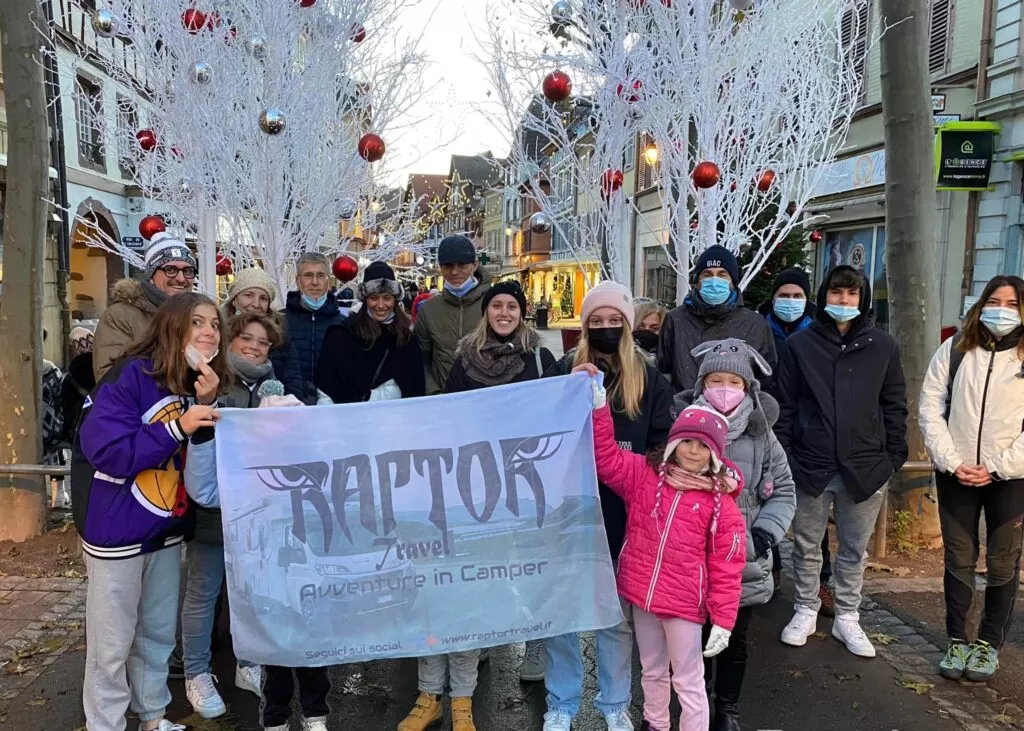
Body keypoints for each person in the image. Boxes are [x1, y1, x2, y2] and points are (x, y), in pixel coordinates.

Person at [71, 292, 227, 731]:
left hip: (165, 527)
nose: (209, 332)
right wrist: (179, 426)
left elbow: (200, 476)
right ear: (172, 326)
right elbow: (107, 450)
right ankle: (106, 724)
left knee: (157, 634)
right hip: (116, 529)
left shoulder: (196, 383)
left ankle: (152, 716)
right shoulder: (129, 375)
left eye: (215, 324)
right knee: (111, 643)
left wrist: (208, 409)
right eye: (198, 322)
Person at [541, 280, 674, 731]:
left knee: (615, 616)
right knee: (563, 611)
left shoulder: (650, 377)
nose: (604, 328)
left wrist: (630, 467)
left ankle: (615, 703)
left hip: (624, 511)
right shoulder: (564, 370)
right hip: (571, 508)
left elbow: (662, 443)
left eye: (613, 321)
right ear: (584, 327)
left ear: (627, 325)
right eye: (595, 322)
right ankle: (561, 701)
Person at [585, 366, 746, 731]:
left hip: (684, 606)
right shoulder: (644, 474)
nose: (693, 451)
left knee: (688, 679)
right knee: (653, 670)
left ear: (716, 453)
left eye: (704, 446)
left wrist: (723, 618)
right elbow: (606, 458)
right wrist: (599, 409)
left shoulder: (721, 504)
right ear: (674, 443)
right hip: (642, 595)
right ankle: (655, 723)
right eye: (688, 441)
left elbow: (727, 566)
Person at [182, 343, 330, 731]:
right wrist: (201, 442)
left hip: (308, 585)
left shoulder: (315, 476)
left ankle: (316, 715)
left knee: (312, 652)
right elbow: (206, 492)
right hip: (268, 587)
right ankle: (276, 719)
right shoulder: (249, 474)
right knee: (275, 656)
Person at [775, 265, 907, 658]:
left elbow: (894, 404)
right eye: (836, 293)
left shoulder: (883, 346)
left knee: (854, 548)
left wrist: (893, 457)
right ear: (824, 297)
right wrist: (787, 456)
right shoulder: (800, 346)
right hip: (810, 464)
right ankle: (805, 607)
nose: (843, 301)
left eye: (851, 294)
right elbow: (784, 405)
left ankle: (848, 615)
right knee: (806, 545)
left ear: (862, 299)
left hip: (866, 467)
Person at [673, 339, 796, 731]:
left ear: (749, 389)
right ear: (701, 385)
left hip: (742, 559)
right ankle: (696, 707)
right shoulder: (685, 430)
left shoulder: (763, 436)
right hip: (689, 558)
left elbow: (785, 490)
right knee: (691, 642)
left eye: (734, 381)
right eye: (715, 380)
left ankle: (728, 709)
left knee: (733, 639)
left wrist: (763, 535)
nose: (724, 388)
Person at [440, 279, 556, 687]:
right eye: (496, 306)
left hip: (527, 476)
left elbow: (556, 410)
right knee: (485, 560)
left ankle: (536, 641)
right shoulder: (465, 359)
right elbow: (450, 413)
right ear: (486, 312)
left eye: (511, 306)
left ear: (522, 312)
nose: (504, 313)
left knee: (530, 559)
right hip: (479, 475)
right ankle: (487, 633)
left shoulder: (539, 358)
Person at [919, 275, 1024, 682]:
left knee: (1002, 563)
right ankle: (957, 641)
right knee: (958, 559)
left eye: (1012, 303)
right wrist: (951, 460)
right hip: (956, 472)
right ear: (981, 305)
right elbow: (930, 407)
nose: (1002, 309)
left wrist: (997, 467)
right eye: (994, 301)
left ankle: (987, 645)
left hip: (1011, 478)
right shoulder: (956, 350)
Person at [181, 313, 282, 719]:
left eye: (263, 342)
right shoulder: (210, 378)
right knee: (204, 592)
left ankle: (248, 663)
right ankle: (196, 672)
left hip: (255, 510)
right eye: (246, 338)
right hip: (213, 505)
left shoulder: (272, 386)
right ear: (230, 340)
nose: (255, 347)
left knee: (251, 590)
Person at [756, 268, 833, 612]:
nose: (790, 302)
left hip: (807, 432)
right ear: (773, 298)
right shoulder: (760, 329)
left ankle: (822, 582)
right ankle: (769, 569)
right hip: (761, 425)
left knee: (814, 514)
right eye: (784, 295)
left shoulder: (820, 333)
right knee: (761, 499)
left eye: (797, 295)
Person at [657, 245, 776, 394]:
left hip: (737, 415)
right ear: (697, 280)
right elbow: (663, 372)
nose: (714, 280)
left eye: (722, 274)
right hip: (685, 411)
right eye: (707, 274)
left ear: (733, 281)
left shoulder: (755, 324)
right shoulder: (675, 320)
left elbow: (766, 380)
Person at [316, 262, 426, 405]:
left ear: (395, 299)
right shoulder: (341, 335)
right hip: (349, 423)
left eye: (387, 297)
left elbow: (416, 393)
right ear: (365, 300)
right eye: (374, 298)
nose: (380, 305)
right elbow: (326, 390)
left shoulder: (405, 339)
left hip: (395, 423)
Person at [93, 232, 197, 380]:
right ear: (151, 275)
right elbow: (110, 378)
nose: (181, 279)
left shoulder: (199, 316)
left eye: (188, 271)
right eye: (170, 270)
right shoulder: (120, 316)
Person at [415, 235, 492, 394]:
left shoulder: (493, 304)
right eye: (448, 266)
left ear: (474, 265)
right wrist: (433, 393)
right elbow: (420, 360)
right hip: (442, 401)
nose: (455, 272)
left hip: (484, 400)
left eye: (462, 265)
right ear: (441, 267)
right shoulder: (428, 310)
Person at [222, 266, 304, 400]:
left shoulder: (280, 336)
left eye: (263, 298)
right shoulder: (216, 332)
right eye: (248, 295)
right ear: (234, 299)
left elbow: (293, 380)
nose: (256, 304)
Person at [282, 252, 345, 403]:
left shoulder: (344, 325)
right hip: (290, 409)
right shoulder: (279, 322)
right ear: (298, 281)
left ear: (328, 282)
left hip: (332, 410)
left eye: (321, 276)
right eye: (308, 275)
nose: (315, 282)